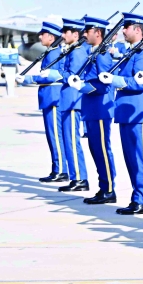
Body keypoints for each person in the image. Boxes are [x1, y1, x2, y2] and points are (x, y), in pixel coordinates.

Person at [102, 12, 143, 215]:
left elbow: (138, 83)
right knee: (131, 158)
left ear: (137, 29)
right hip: (126, 113)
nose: (123, 31)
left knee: (140, 157)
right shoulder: (130, 52)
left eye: (126, 27)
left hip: (140, 113)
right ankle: (137, 197)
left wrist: (113, 80)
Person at [17, 22, 68, 183]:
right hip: (50, 97)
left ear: (51, 37)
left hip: (53, 98)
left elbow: (50, 76)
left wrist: (28, 79)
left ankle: (60, 169)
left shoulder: (53, 54)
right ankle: (58, 168)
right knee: (53, 135)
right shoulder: (51, 52)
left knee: (55, 135)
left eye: (43, 34)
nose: (40, 37)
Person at [75, 16, 117, 204]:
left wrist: (81, 87)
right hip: (92, 108)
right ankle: (103, 187)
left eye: (88, 31)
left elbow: (104, 85)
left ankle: (108, 189)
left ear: (98, 33)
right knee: (95, 149)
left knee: (101, 149)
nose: (84, 34)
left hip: (100, 109)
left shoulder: (102, 55)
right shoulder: (94, 52)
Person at [56, 19, 90, 192]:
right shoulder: (72, 51)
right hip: (68, 99)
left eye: (66, 32)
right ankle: (75, 176)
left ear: (75, 35)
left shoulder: (77, 53)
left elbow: (72, 75)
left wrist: (57, 73)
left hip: (72, 99)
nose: (62, 35)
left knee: (71, 140)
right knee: (68, 140)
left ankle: (80, 178)